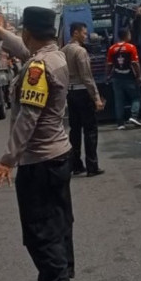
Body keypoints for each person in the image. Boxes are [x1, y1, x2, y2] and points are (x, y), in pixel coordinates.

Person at [0, 7, 74, 281]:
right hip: (59, 155)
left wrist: (7, 159)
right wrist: (1, 34)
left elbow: (28, 117)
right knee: (58, 224)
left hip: (39, 162)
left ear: (28, 32)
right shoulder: (55, 56)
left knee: (40, 231)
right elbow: (26, 51)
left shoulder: (38, 67)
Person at [61, 22, 105, 177]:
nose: (85, 36)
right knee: (90, 130)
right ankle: (92, 166)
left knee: (75, 130)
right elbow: (87, 77)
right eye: (84, 33)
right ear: (75, 33)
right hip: (83, 93)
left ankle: (76, 165)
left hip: (70, 93)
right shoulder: (80, 51)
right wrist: (97, 98)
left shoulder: (63, 51)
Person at [106, 28, 141, 130]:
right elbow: (135, 63)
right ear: (127, 35)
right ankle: (134, 116)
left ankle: (120, 124)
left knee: (119, 100)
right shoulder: (131, 47)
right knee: (136, 97)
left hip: (116, 77)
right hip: (129, 77)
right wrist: (139, 76)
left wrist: (108, 75)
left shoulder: (112, 48)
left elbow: (109, 64)